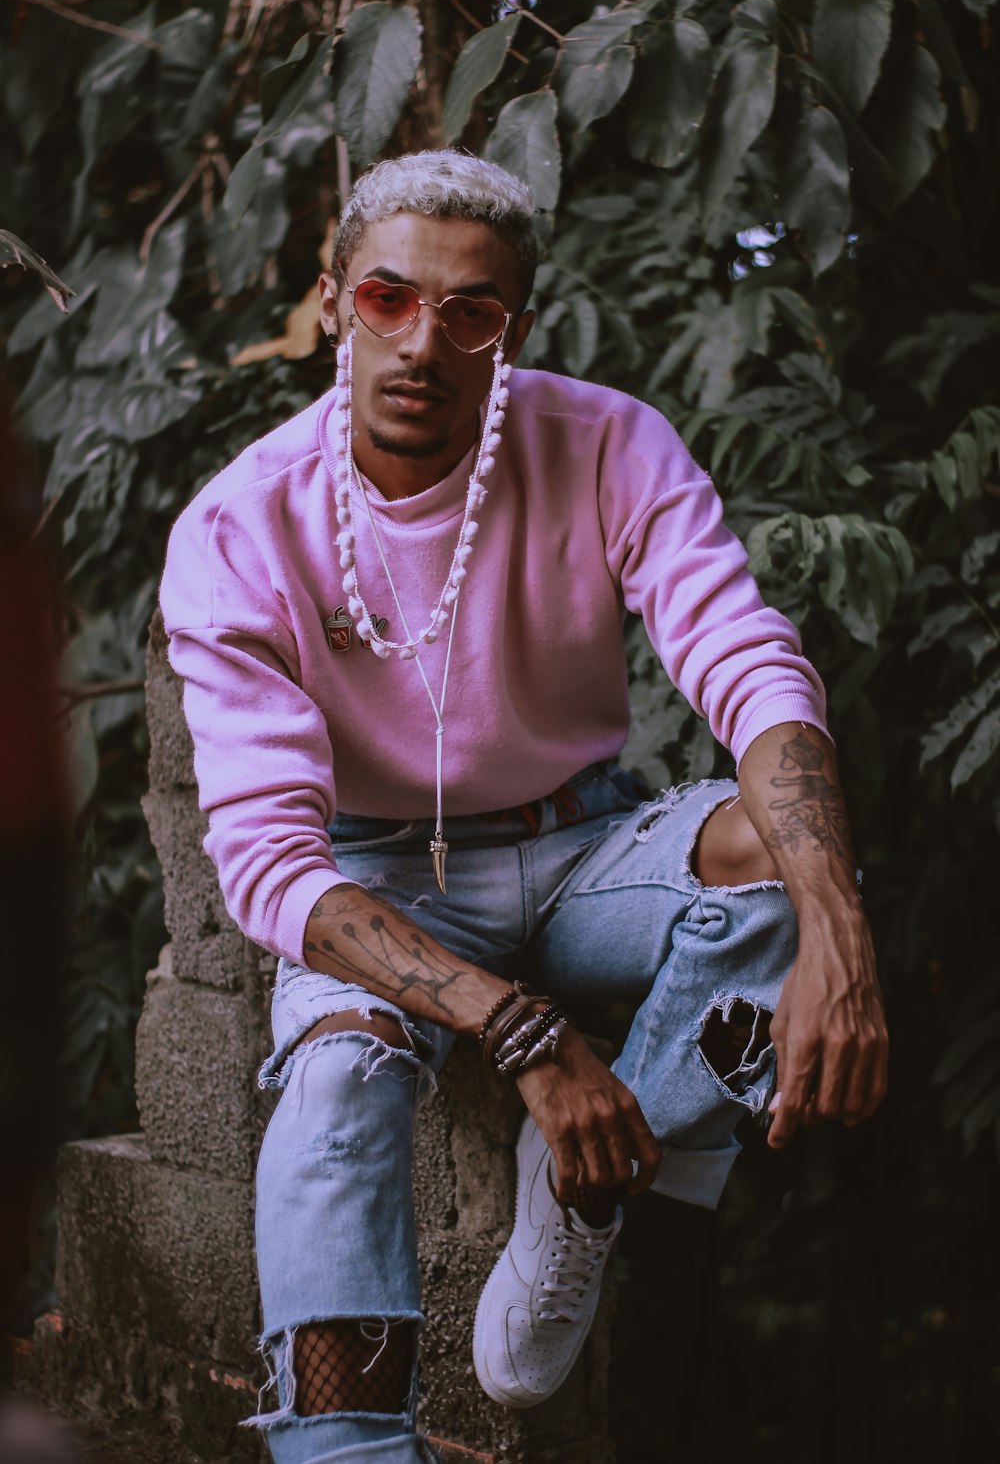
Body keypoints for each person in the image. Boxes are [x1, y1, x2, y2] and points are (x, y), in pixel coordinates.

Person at [160, 150, 888, 1464]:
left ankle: (593, 1192)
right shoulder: (243, 525)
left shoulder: (605, 442)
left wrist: (842, 925)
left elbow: (749, 662)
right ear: (332, 299)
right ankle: (343, 1449)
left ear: (516, 329)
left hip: (576, 846)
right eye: (388, 298)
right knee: (331, 1087)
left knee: (784, 871)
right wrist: (532, 1043)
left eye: (470, 312)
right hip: (370, 877)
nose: (423, 342)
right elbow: (272, 872)